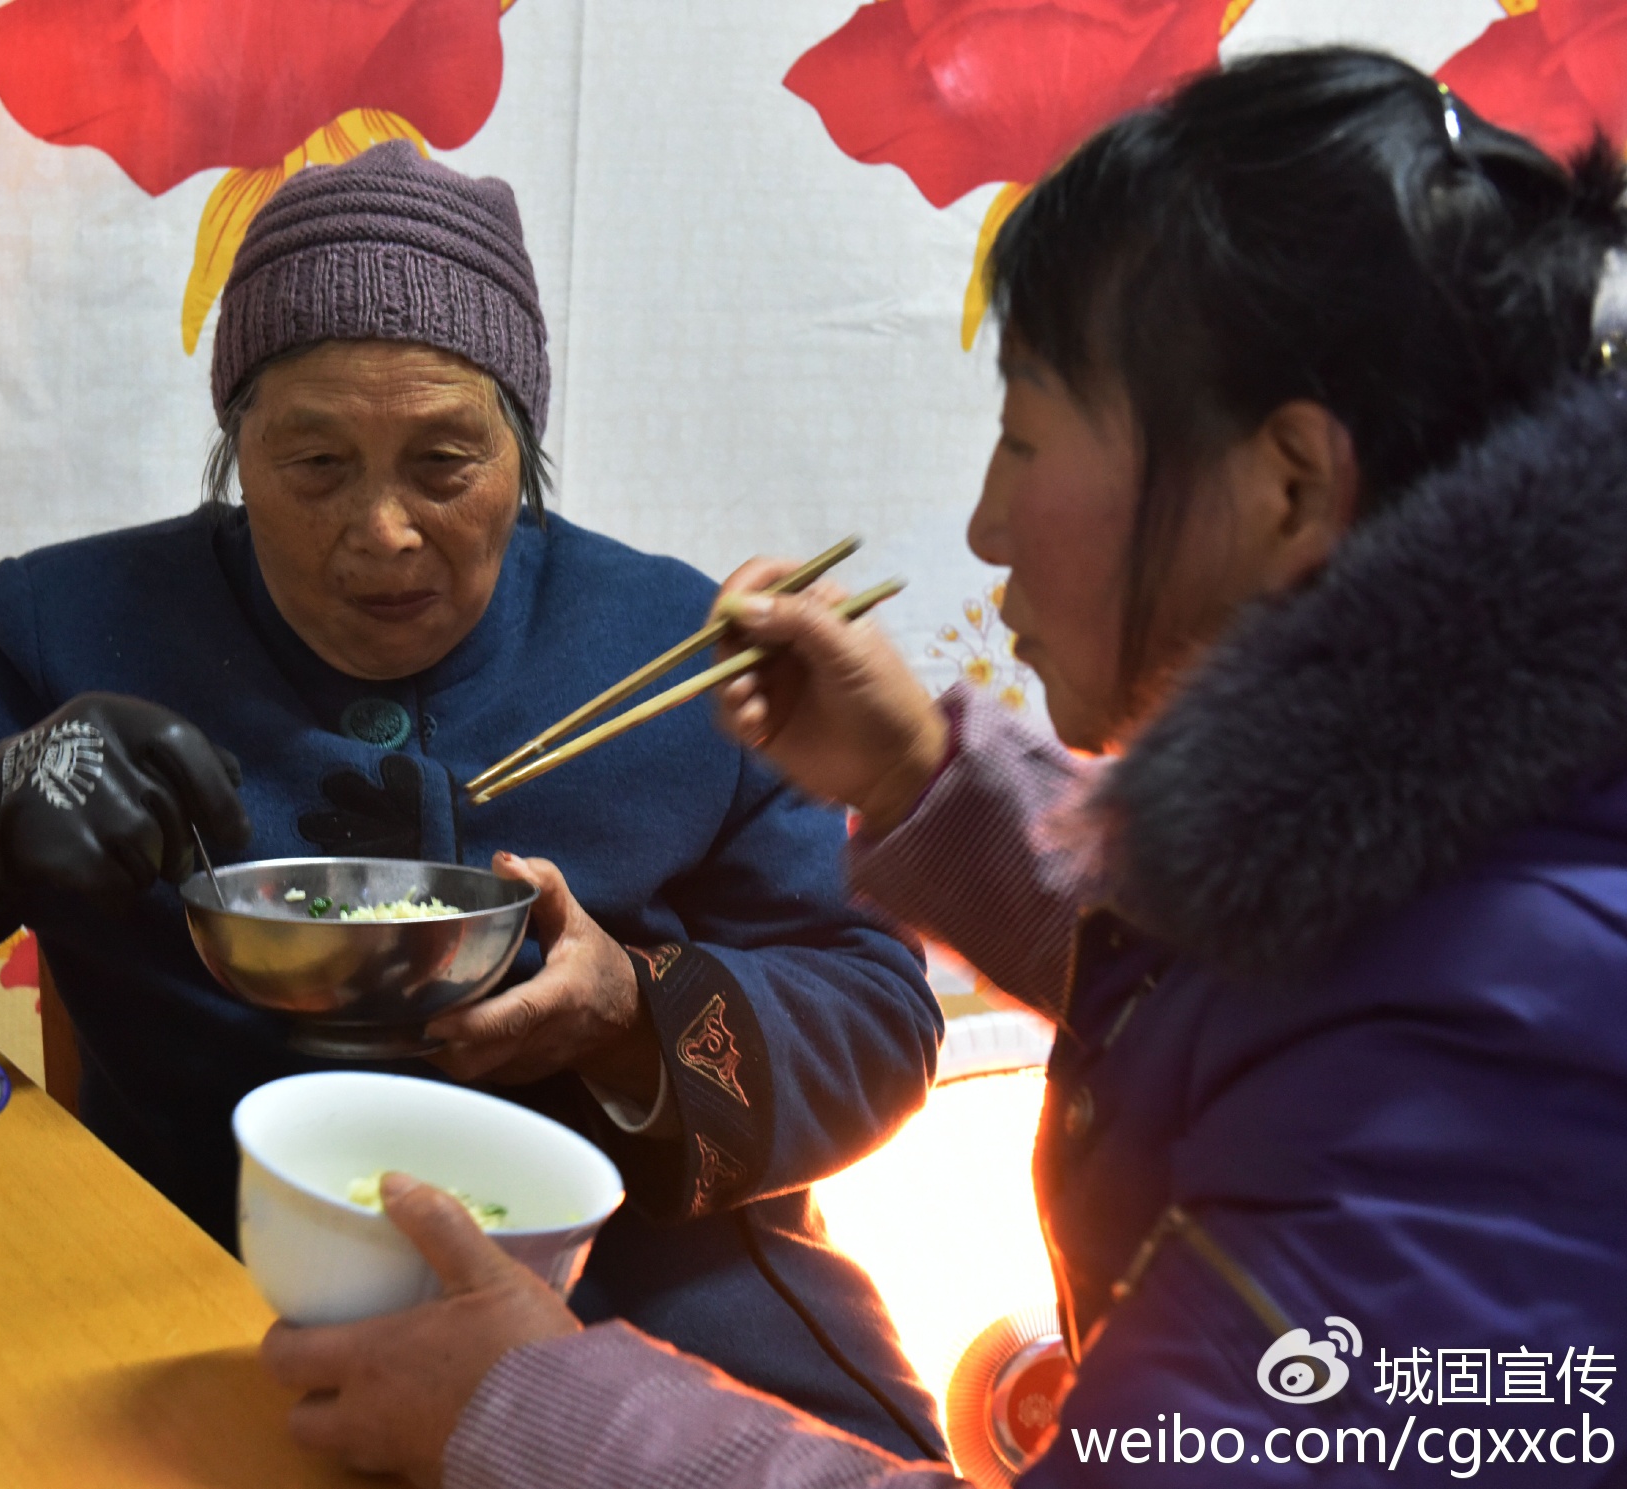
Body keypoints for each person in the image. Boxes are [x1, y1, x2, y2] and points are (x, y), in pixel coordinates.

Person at [256, 48, 1627, 1487]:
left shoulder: (1488, 1055)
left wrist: (535, 1390)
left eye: (1026, 434)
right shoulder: (1460, 810)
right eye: (313, 464)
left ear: (1288, 486)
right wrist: (920, 773)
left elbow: (870, 1018)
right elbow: (1263, 946)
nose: (983, 526)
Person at [0, 142, 950, 1455]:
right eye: (315, 463)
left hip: (651, 1313)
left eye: (444, 462)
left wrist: (628, 1019)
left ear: (524, 452)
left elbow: (880, 1008)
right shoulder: (85, 630)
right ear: (234, 452)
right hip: (203, 1298)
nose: (381, 532)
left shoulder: (677, 655)